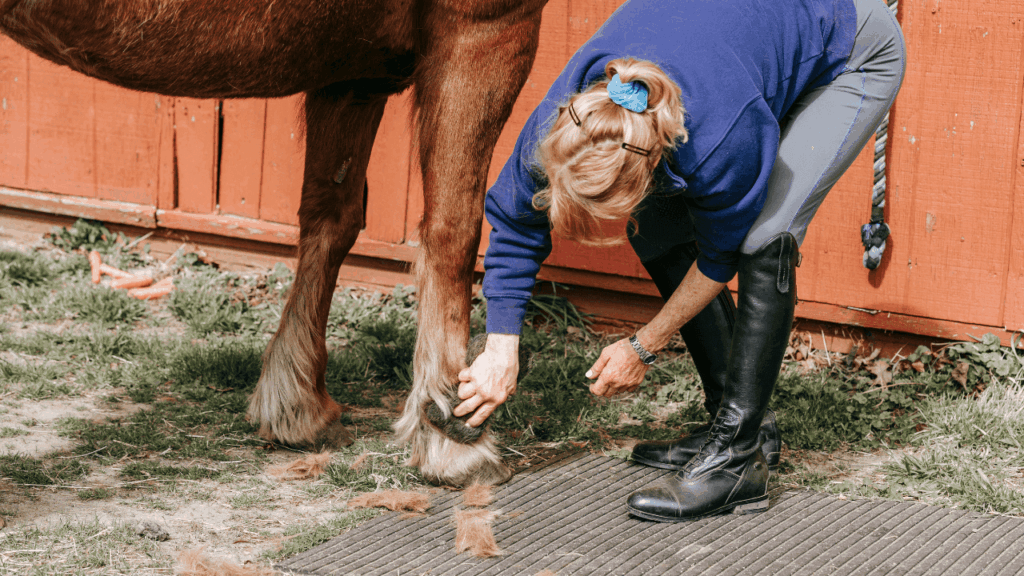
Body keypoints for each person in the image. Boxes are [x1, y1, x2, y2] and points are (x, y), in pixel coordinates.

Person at [453, 0, 905, 521]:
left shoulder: (719, 142)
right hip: (743, 47)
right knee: (656, 225)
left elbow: (719, 258)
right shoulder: (572, 118)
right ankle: (739, 428)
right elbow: (515, 219)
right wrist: (500, 348)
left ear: (649, 165)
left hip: (852, 49)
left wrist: (643, 346)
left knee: (765, 237)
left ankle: (737, 461)